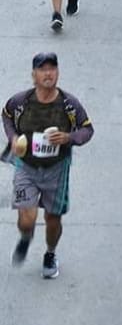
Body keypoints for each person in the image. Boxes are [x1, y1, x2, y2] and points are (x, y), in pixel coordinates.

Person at [3, 49, 94, 279]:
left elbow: (87, 129)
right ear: (33, 75)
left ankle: (50, 253)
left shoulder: (69, 104)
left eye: (52, 68)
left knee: (53, 219)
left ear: (58, 73)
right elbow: (6, 115)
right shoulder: (21, 101)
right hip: (26, 167)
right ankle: (26, 236)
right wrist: (13, 138)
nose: (48, 73)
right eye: (42, 69)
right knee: (26, 220)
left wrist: (69, 138)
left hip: (56, 169)